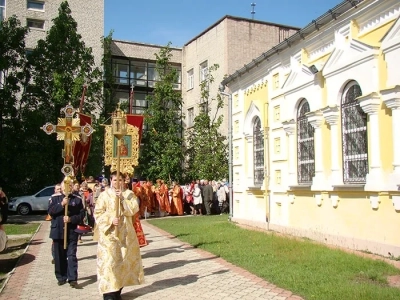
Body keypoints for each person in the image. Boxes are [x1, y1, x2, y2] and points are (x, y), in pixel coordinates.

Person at [94, 172, 144, 300]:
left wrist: (122, 199)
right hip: (109, 237)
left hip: (125, 236)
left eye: (120, 180)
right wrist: (110, 220)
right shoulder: (104, 195)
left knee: (121, 264)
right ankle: (108, 294)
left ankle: (117, 290)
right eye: (115, 180)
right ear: (111, 180)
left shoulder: (129, 195)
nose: (117, 183)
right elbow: (98, 213)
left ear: (124, 181)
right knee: (109, 263)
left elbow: (134, 209)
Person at [48, 180, 85, 287]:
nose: (67, 187)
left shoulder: (77, 199)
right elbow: (50, 211)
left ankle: (72, 279)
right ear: (62, 186)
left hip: (71, 232)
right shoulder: (54, 198)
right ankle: (61, 277)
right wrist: (62, 204)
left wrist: (71, 219)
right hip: (58, 231)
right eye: (65, 185)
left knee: (71, 255)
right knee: (59, 256)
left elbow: (81, 215)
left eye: (70, 185)